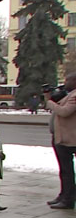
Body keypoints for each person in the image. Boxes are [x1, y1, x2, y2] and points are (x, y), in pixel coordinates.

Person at [46, 73, 76, 209]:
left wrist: (51, 103)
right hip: (61, 137)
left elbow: (64, 111)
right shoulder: (68, 94)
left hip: (68, 139)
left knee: (67, 171)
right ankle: (64, 195)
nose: (65, 83)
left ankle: (68, 199)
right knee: (64, 170)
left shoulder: (74, 96)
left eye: (67, 80)